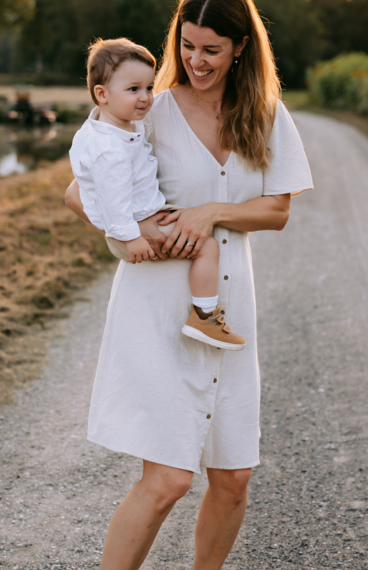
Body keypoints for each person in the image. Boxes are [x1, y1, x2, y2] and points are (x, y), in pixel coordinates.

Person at [65, 0, 313, 570]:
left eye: (211, 49)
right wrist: (137, 239)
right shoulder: (151, 110)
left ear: (240, 49)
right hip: (157, 309)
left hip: (228, 314)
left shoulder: (266, 117)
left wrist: (210, 213)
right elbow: (79, 192)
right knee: (168, 478)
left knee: (233, 477)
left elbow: (276, 211)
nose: (196, 61)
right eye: (188, 45)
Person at [68, 36, 246, 349]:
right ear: (102, 94)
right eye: (133, 89)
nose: (146, 98)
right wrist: (130, 236)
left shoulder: (113, 125)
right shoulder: (110, 149)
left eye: (149, 88)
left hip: (138, 218)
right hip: (133, 226)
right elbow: (112, 197)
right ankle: (204, 317)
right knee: (207, 248)